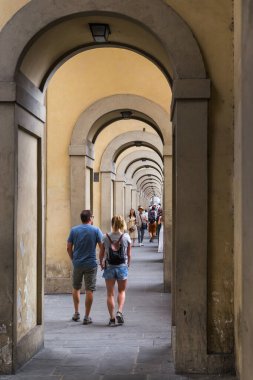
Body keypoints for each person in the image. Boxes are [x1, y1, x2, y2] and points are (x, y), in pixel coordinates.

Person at [67, 210, 103, 325]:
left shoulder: (74, 230)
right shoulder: (96, 230)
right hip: (91, 263)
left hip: (77, 263)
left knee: (76, 287)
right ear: (90, 218)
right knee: (89, 290)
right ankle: (87, 316)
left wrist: (73, 259)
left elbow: (68, 247)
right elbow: (102, 246)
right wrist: (101, 259)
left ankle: (76, 313)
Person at [99, 215, 131, 326]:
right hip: (122, 266)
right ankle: (120, 311)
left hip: (109, 267)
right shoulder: (126, 237)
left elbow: (101, 253)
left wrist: (101, 264)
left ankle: (112, 318)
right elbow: (129, 254)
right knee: (122, 291)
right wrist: (128, 265)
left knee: (110, 294)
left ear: (112, 224)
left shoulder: (105, 237)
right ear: (122, 224)